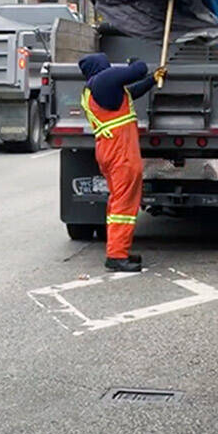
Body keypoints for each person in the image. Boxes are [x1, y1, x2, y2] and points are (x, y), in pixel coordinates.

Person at [77, 53, 167, 272]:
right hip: (120, 152)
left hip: (111, 150)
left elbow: (131, 92)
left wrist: (152, 81)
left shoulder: (97, 89)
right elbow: (139, 69)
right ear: (102, 66)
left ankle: (119, 250)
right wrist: (135, 61)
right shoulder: (103, 80)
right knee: (124, 204)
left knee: (119, 201)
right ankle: (116, 255)